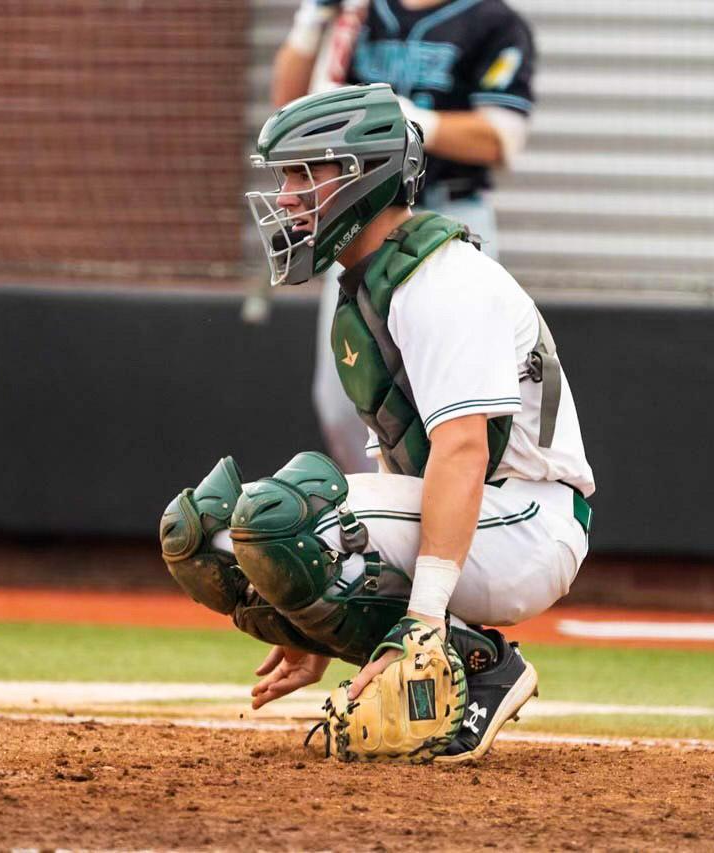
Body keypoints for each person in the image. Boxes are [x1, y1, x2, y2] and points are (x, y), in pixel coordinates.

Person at [163, 84, 592, 762]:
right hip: (475, 514)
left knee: (281, 519)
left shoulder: (442, 281)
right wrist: (320, 621)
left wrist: (420, 621)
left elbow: (462, 451)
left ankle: (479, 667)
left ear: (365, 176)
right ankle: (456, 657)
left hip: (528, 520)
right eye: (285, 176)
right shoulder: (371, 291)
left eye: (306, 174)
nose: (285, 197)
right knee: (209, 536)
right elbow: (404, 469)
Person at [269, 0, 538, 474]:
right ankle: (381, 514)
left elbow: (499, 138)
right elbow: (289, 116)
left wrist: (406, 121)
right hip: (361, 219)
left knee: (464, 391)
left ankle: (467, 513)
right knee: (344, 397)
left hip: (449, 208)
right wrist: (311, 22)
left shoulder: (494, 21)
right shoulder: (359, 14)